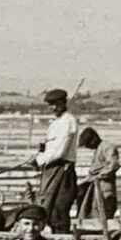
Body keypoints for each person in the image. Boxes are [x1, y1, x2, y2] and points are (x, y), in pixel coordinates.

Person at [35, 88, 79, 232]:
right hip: (50, 169)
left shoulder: (68, 121)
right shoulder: (56, 122)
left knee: (58, 211)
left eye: (56, 104)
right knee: (46, 207)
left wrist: (39, 161)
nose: (53, 108)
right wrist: (40, 153)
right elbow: (49, 148)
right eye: (50, 104)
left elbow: (59, 152)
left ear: (63, 103)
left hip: (62, 171)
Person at [77, 126, 119, 219]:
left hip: (105, 190)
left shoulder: (108, 147)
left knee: (104, 215)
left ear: (93, 140)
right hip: (95, 190)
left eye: (88, 144)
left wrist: (98, 176)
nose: (88, 147)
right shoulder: (98, 149)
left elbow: (113, 166)